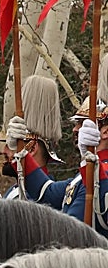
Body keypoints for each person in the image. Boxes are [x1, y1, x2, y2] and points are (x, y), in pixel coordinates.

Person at [10, 98, 108, 235]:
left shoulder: (100, 172)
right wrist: (20, 150)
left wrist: (90, 161)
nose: (75, 129)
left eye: (82, 123)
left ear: (105, 132)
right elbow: (45, 192)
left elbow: (101, 208)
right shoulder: (81, 177)